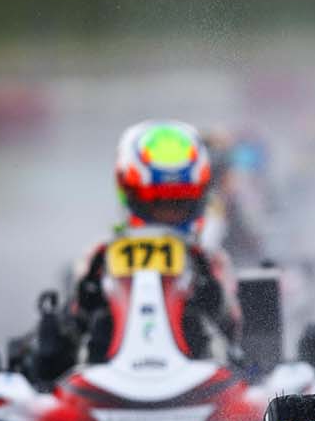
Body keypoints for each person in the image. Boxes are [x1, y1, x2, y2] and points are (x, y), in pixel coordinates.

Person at [20, 121, 241, 383]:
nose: (167, 215)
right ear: (131, 196)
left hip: (198, 368)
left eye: (178, 204)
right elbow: (75, 318)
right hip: (108, 363)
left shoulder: (207, 257)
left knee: (196, 324)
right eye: (158, 204)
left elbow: (231, 322)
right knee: (99, 323)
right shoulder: (103, 252)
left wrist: (207, 295)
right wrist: (86, 301)